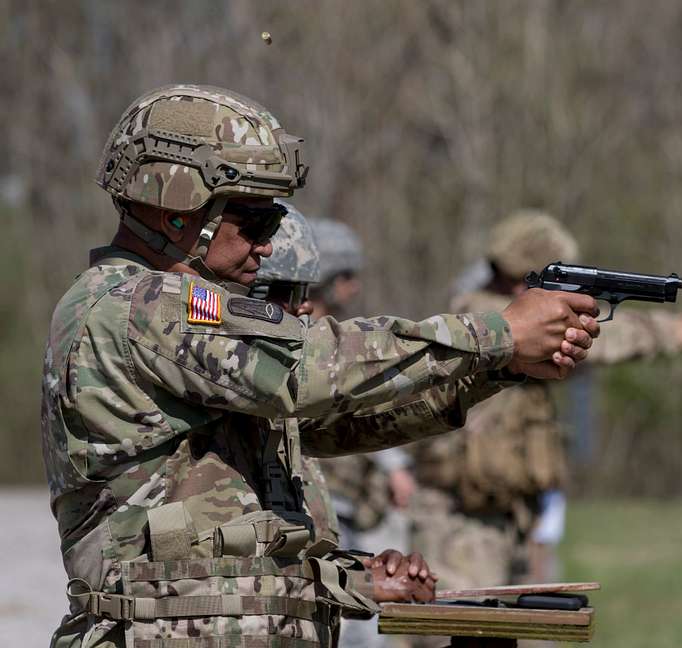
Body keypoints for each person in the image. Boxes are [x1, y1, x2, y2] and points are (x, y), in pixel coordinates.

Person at [41, 86, 599, 648]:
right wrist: (494, 335)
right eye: (254, 220)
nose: (267, 244)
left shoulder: (184, 331)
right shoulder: (135, 303)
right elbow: (305, 366)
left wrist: (501, 369)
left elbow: (343, 421)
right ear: (176, 211)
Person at [408, 210, 682, 596]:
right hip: (458, 518)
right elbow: (608, 340)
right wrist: (676, 332)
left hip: (513, 514)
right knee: (455, 631)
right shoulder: (483, 315)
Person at [303, 218, 418, 648]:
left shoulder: (339, 332)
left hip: (344, 499)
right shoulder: (297, 334)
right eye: (344, 277)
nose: (353, 288)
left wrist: (394, 465)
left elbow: (367, 401)